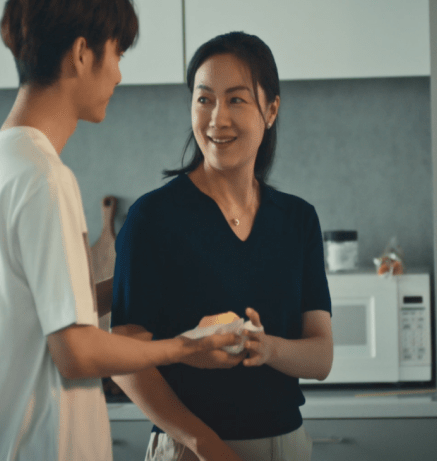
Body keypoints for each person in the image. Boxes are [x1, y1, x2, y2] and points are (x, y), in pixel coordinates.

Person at [0, 0, 239, 461]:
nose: (118, 74)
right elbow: (77, 352)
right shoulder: (44, 177)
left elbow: (39, 311)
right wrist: (188, 345)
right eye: (117, 53)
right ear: (82, 53)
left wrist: (132, 286)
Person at [110, 31, 335, 461]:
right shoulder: (153, 218)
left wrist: (267, 348)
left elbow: (321, 357)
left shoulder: (297, 220)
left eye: (236, 100)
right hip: (189, 448)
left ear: (271, 109)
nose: (217, 119)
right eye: (204, 99)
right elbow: (124, 357)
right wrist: (204, 443)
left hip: (286, 445)